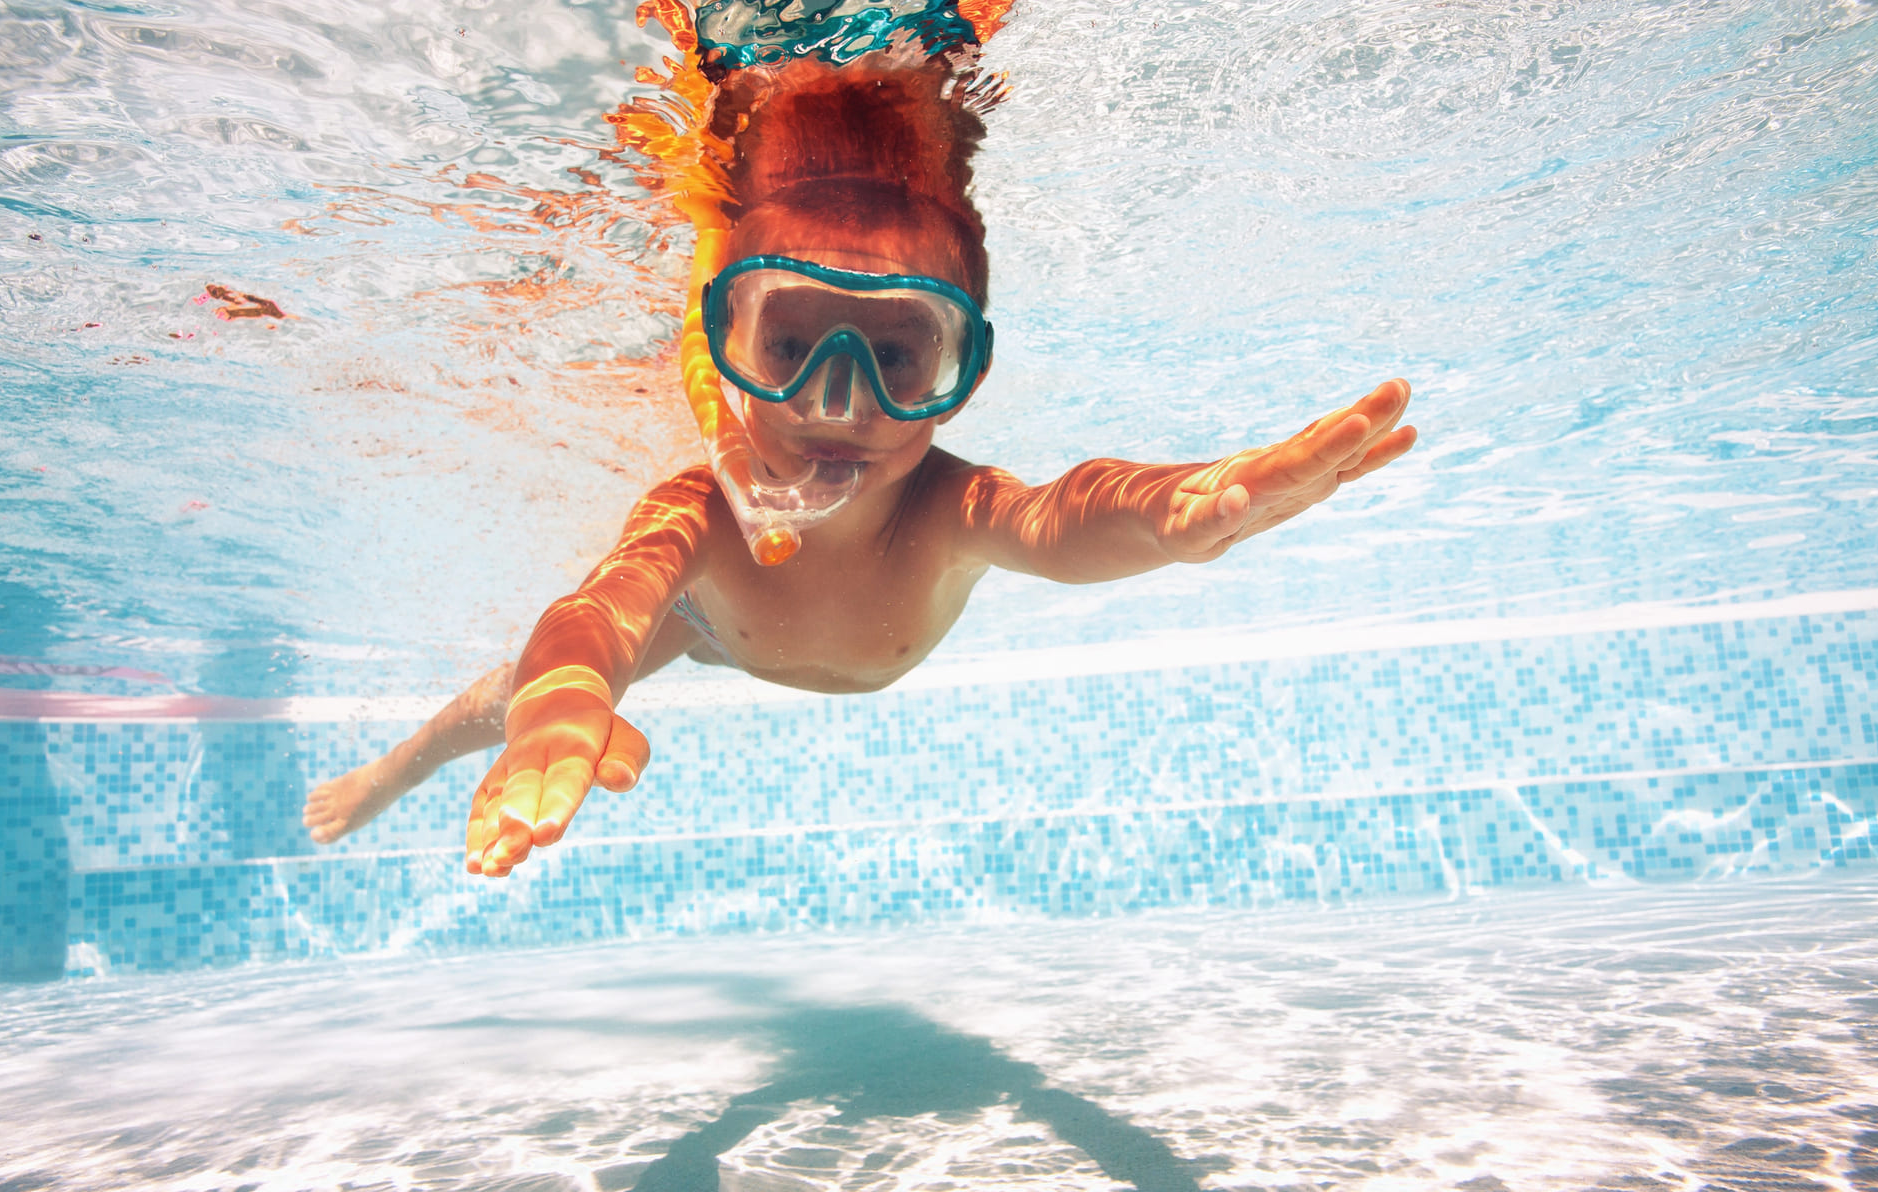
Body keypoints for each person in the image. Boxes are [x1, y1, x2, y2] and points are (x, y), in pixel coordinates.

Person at [304, 9, 1418, 868]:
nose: (837, 405)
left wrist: (1177, 515)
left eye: (892, 357)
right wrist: (566, 700)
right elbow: (597, 610)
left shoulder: (946, 504)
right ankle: (393, 771)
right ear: (725, 336)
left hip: (741, 617)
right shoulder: (701, 514)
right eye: (789, 349)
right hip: (707, 625)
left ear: (956, 370)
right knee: (524, 684)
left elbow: (1059, 517)